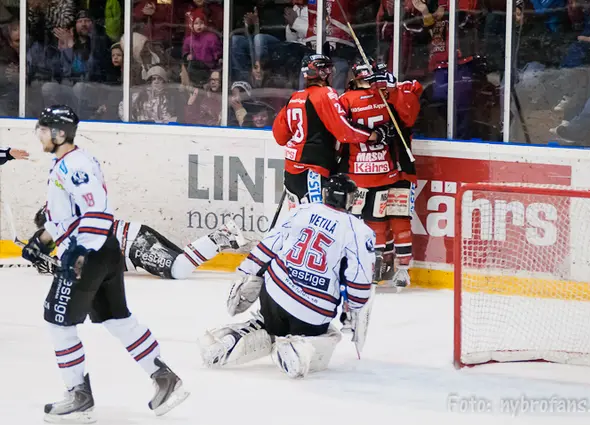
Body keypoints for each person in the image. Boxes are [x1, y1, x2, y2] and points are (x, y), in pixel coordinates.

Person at [21, 105, 189, 423]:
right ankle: (164, 378)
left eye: (43, 129)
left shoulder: (74, 166)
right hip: (103, 250)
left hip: (89, 255)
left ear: (58, 133)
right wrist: (40, 241)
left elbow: (97, 212)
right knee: (117, 319)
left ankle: (79, 397)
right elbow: (68, 217)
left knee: (59, 322)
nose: (39, 135)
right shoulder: (68, 162)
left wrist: (78, 253)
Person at [197, 174, 376, 379]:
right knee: (330, 334)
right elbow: (359, 278)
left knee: (270, 323)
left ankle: (233, 340)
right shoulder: (359, 231)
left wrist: (246, 274)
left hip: (272, 299)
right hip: (311, 314)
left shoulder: (302, 210)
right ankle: (298, 349)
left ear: (326, 194)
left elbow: (268, 246)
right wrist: (354, 308)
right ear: (349, 199)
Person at [271, 54, 396, 211]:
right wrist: (375, 135)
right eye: (329, 70)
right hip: (313, 171)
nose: (331, 74)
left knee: (297, 222)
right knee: (316, 219)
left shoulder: (294, 98)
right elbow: (344, 132)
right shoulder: (325, 94)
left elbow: (280, 136)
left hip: (291, 172)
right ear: (322, 73)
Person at [33, 206, 247, 279]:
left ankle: (223, 235)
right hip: (137, 237)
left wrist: (53, 265)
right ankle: (221, 236)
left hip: (135, 245)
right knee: (183, 259)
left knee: (179, 270)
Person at [338, 56, 401, 286]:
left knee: (354, 220)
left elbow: (340, 130)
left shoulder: (346, 99)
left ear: (355, 76)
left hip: (358, 173)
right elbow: (397, 123)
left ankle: (353, 265)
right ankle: (376, 269)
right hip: (384, 171)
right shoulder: (383, 96)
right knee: (377, 220)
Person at [368, 63, 423, 287]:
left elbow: (409, 116)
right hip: (375, 170)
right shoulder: (366, 99)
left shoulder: (403, 94)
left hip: (400, 170)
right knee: (376, 222)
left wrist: (393, 90)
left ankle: (403, 268)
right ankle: (380, 265)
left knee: (400, 221)